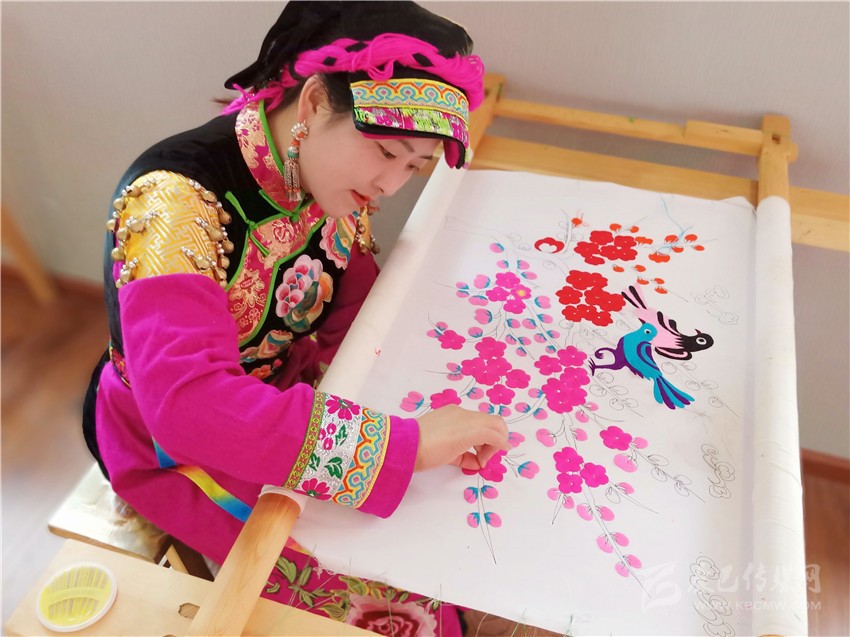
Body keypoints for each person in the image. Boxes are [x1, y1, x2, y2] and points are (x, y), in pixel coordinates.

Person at [81, 1, 509, 635]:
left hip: (284, 387)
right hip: (176, 440)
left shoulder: (323, 171)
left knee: (442, 525)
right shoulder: (178, 200)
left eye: (413, 166)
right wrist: (401, 446)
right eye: (387, 151)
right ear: (312, 102)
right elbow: (189, 406)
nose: (391, 185)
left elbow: (354, 310)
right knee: (381, 595)